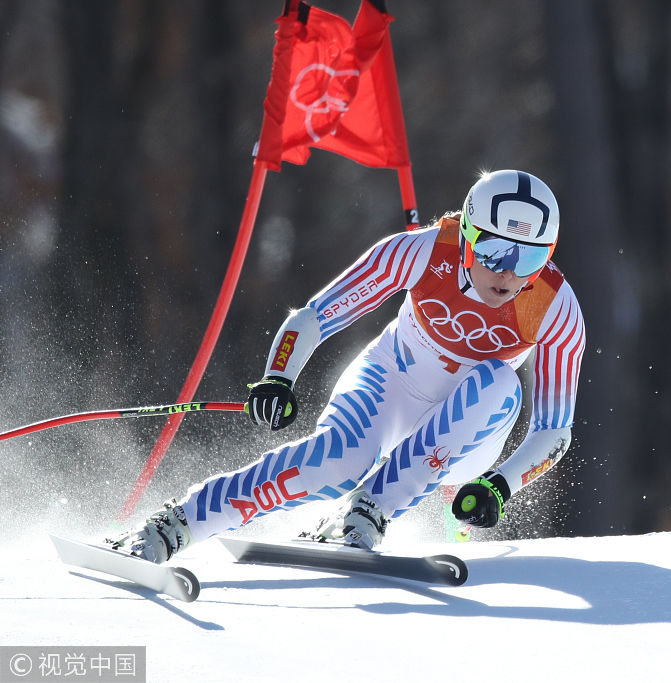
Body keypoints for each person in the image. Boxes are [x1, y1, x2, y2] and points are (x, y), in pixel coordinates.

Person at [116, 170, 586, 563]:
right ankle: (174, 524)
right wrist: (279, 377)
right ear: (466, 234)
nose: (508, 273)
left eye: (530, 256)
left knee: (500, 382)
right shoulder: (421, 251)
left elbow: (554, 431)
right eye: (493, 252)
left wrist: (500, 485)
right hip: (392, 380)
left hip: (470, 437)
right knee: (338, 460)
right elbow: (312, 318)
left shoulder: (554, 306)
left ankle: (364, 514)